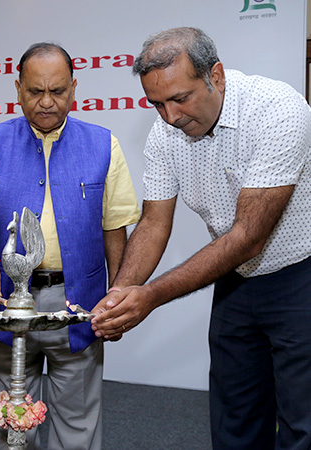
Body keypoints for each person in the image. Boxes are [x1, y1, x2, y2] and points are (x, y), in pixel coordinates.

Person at [91, 27, 311, 450]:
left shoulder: (279, 110)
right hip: (236, 280)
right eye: (157, 104)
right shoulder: (164, 135)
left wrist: (150, 296)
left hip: (300, 277)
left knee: (303, 422)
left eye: (180, 99)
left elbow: (248, 238)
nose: (170, 116)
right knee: (235, 420)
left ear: (217, 75)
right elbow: (154, 222)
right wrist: (120, 296)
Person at [0, 42, 140, 449]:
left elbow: (114, 227)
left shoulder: (103, 144)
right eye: (35, 91)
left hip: (78, 304)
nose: (46, 102)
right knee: (9, 423)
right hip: (7, 302)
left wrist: (118, 294)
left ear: (74, 88)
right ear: (17, 89)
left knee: (77, 426)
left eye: (58, 91)